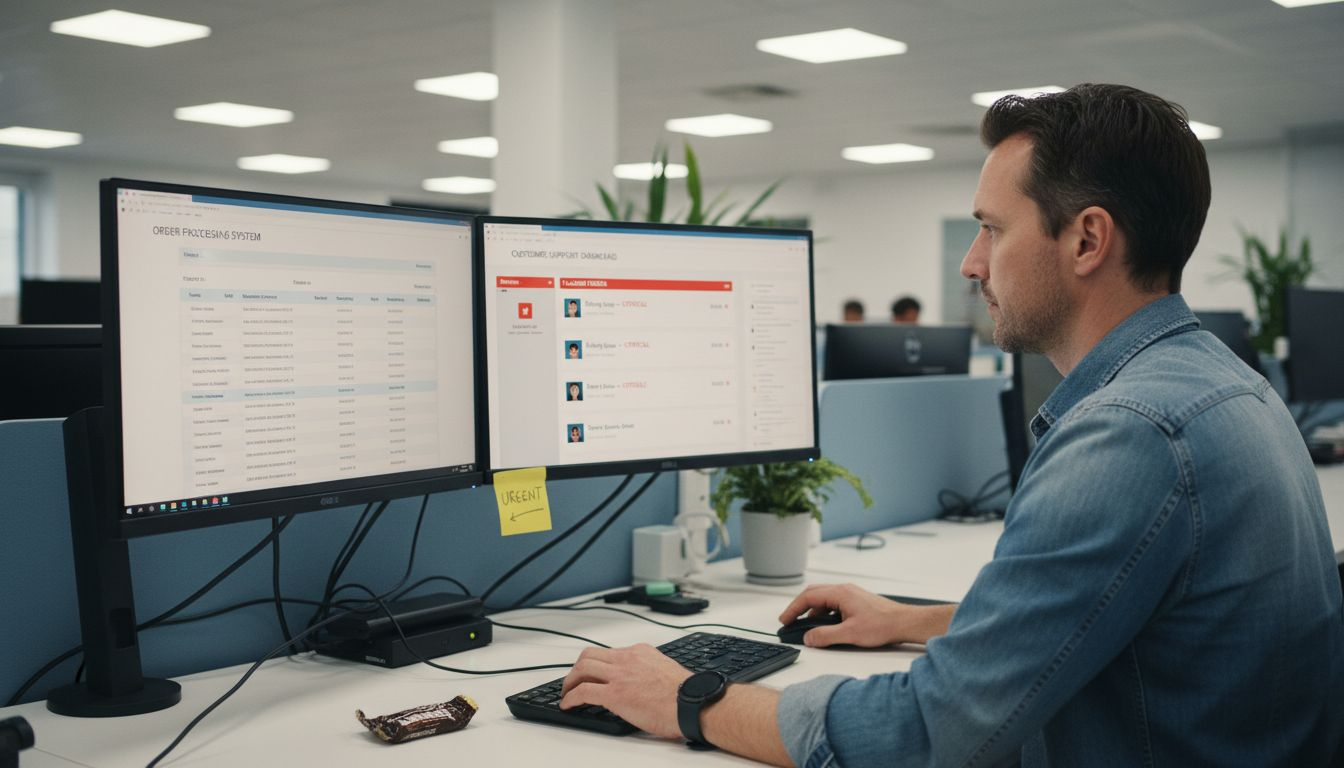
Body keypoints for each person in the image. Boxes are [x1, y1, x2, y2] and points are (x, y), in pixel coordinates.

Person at [557, 84, 1344, 766]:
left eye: (992, 228)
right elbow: (1124, 614)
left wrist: (689, 698)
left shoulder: (1129, 433)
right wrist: (917, 621)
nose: (971, 263)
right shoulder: (1224, 383)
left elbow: (927, 735)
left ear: (1087, 239)